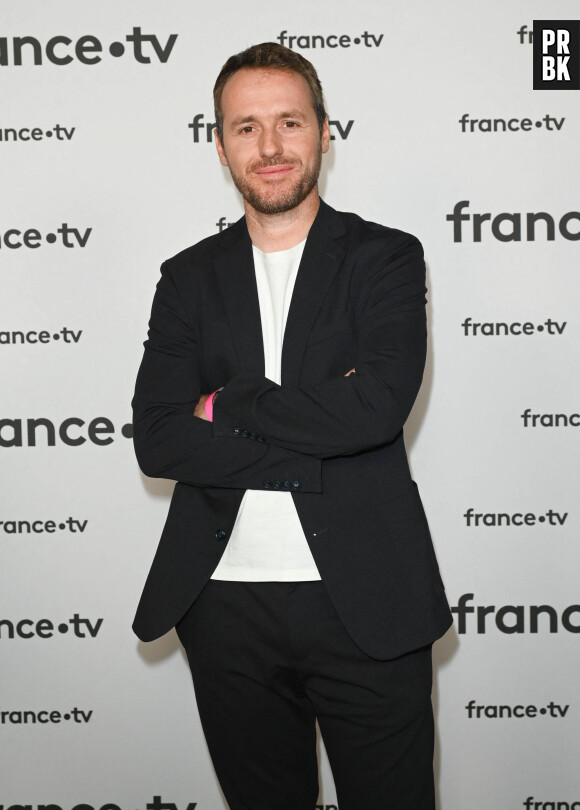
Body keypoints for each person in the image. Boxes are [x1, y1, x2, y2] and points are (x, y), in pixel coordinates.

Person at [132, 41, 452, 810]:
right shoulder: (187, 277)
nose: (270, 148)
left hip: (367, 601)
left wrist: (232, 403)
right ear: (218, 144)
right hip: (225, 607)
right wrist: (316, 432)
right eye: (246, 128)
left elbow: (376, 409)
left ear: (324, 131)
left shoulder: (385, 259)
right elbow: (161, 438)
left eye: (288, 123)